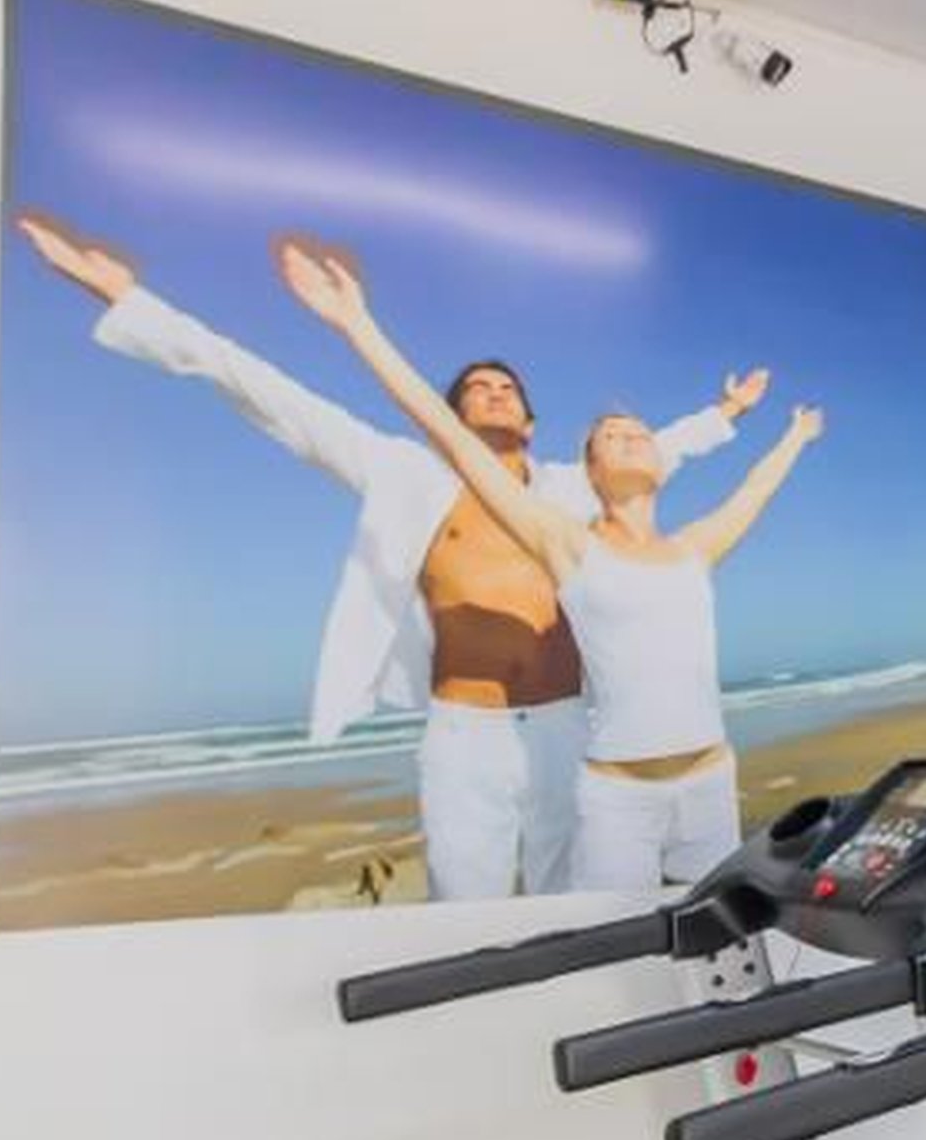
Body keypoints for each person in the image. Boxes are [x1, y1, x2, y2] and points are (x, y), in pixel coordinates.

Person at [13, 212, 767, 900]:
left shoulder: (570, 490)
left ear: (533, 423)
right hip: (466, 736)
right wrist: (130, 300)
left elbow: (651, 450)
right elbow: (270, 393)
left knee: (574, 906)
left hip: (569, 726)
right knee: (463, 912)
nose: (494, 393)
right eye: (476, 388)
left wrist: (725, 413)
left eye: (507, 387)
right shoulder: (404, 472)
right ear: (451, 414)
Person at [283, 237, 823, 891]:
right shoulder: (567, 543)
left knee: (712, 921)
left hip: (710, 781)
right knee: (575, 922)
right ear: (589, 474)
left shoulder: (693, 547)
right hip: (613, 793)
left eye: (639, 434)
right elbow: (444, 430)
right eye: (610, 437)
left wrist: (791, 434)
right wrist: (357, 325)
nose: (631, 438)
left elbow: (754, 492)